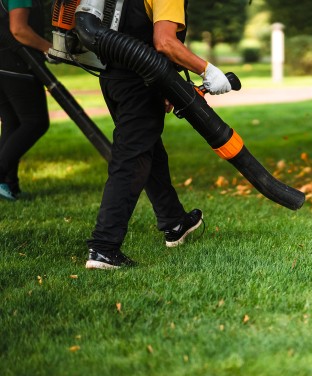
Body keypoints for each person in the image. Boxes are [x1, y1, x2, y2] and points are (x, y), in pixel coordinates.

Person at [85, 0, 232, 270]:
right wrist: (208, 70)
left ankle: (174, 221)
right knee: (132, 158)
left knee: (147, 146)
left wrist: (166, 84)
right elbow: (165, 42)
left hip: (113, 78)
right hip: (138, 81)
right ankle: (104, 247)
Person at [0, 0, 51, 201]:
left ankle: (9, 185)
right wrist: (49, 48)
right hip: (16, 64)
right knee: (35, 122)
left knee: (13, 122)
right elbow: (19, 29)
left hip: (4, 64)